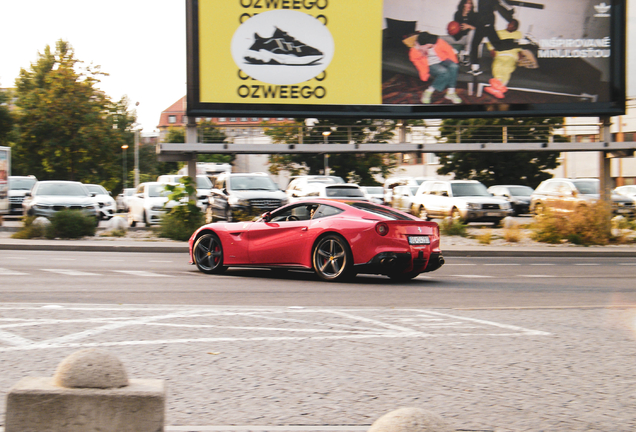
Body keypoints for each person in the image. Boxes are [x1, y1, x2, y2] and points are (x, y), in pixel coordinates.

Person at [484, 19, 538, 98]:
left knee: (507, 68)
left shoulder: (518, 34)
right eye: (509, 24)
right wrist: (492, 49)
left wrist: (520, 54)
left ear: (516, 27)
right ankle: (499, 88)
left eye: (512, 25)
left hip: (512, 56)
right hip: (500, 54)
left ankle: (496, 87)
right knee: (497, 65)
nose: (509, 25)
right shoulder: (499, 33)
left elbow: (519, 46)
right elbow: (490, 42)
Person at [406, 32, 463, 105]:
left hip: (443, 59)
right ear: (425, 45)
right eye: (431, 43)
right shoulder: (416, 50)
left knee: (454, 66)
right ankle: (428, 91)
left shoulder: (438, 41)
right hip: (430, 63)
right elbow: (417, 62)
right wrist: (424, 72)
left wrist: (454, 63)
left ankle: (451, 92)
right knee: (444, 72)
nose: (434, 43)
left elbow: (449, 51)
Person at [468, 0, 519, 76]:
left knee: (476, 44)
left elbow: (499, 7)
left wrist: (510, 16)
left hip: (486, 23)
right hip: (483, 24)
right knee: (497, 46)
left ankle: (515, 43)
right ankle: (474, 68)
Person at [451, 0, 478, 65]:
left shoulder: (474, 15)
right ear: (463, 4)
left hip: (469, 39)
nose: (470, 5)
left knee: (472, 31)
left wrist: (469, 26)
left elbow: (479, 29)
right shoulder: (457, 14)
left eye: (471, 4)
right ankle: (457, 53)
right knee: (441, 38)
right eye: (468, 3)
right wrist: (452, 29)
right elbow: (455, 27)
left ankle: (466, 54)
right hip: (459, 37)